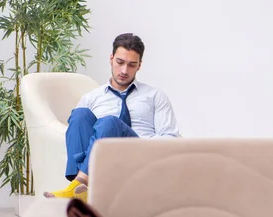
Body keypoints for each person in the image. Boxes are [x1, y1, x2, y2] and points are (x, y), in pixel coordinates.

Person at [44, 33, 180, 202]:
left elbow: (172, 139)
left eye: (131, 65)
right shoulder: (92, 98)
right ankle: (81, 188)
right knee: (79, 115)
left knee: (109, 122)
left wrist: (143, 142)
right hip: (104, 163)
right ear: (111, 58)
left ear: (139, 65)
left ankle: (79, 185)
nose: (124, 71)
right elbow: (77, 136)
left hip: (139, 156)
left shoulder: (154, 96)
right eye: (120, 62)